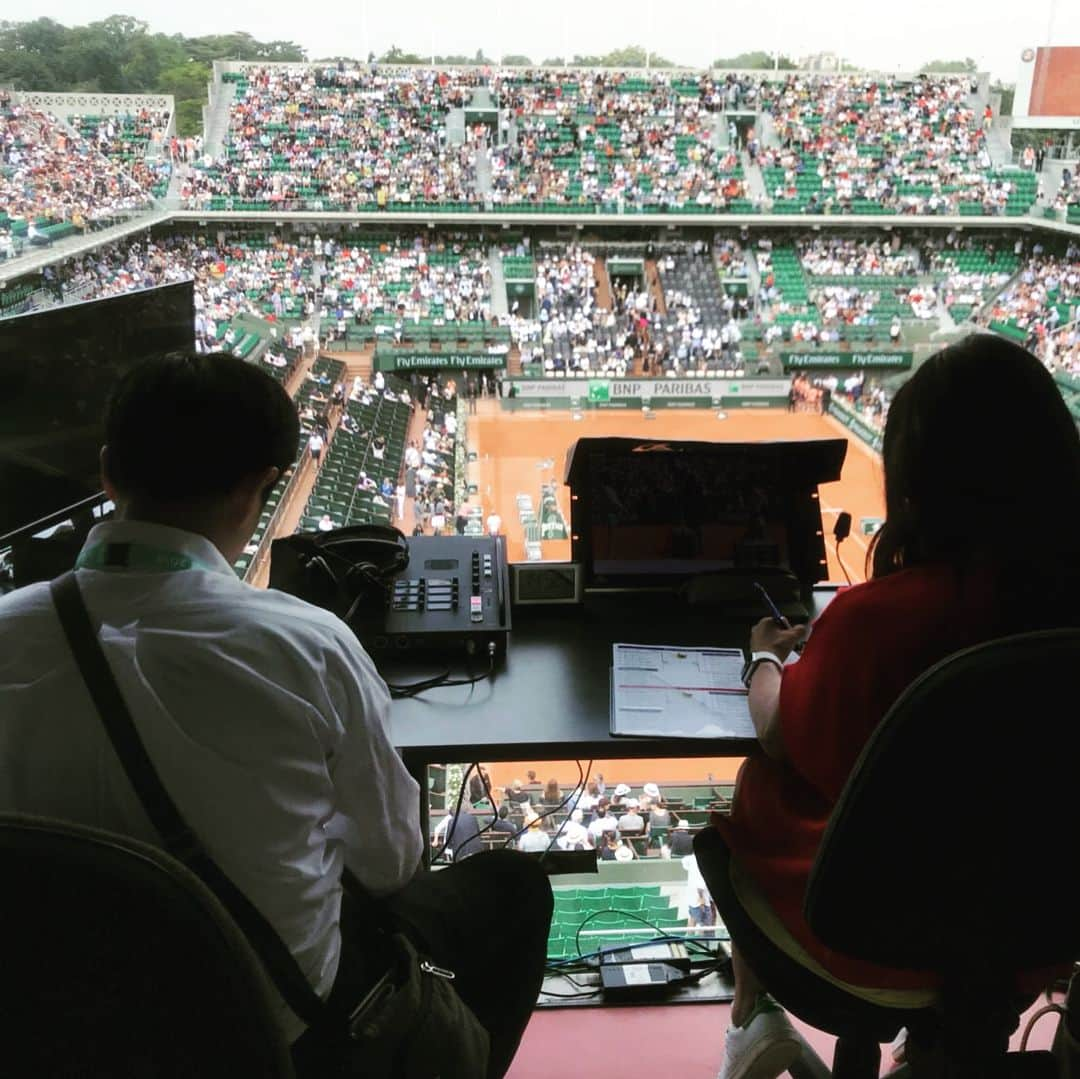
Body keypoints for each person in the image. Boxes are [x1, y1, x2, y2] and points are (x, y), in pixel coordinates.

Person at [0, 351, 552, 1079]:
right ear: (259, 490)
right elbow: (391, 865)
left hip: (57, 1030)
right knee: (513, 891)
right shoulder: (308, 643)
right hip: (277, 1037)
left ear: (108, 471)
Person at [698, 335, 1080, 1079]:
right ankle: (938, 1047)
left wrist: (765, 657)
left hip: (868, 942)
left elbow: (778, 730)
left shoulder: (876, 620)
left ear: (917, 488)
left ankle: (752, 1015)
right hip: (1036, 932)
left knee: (756, 785)